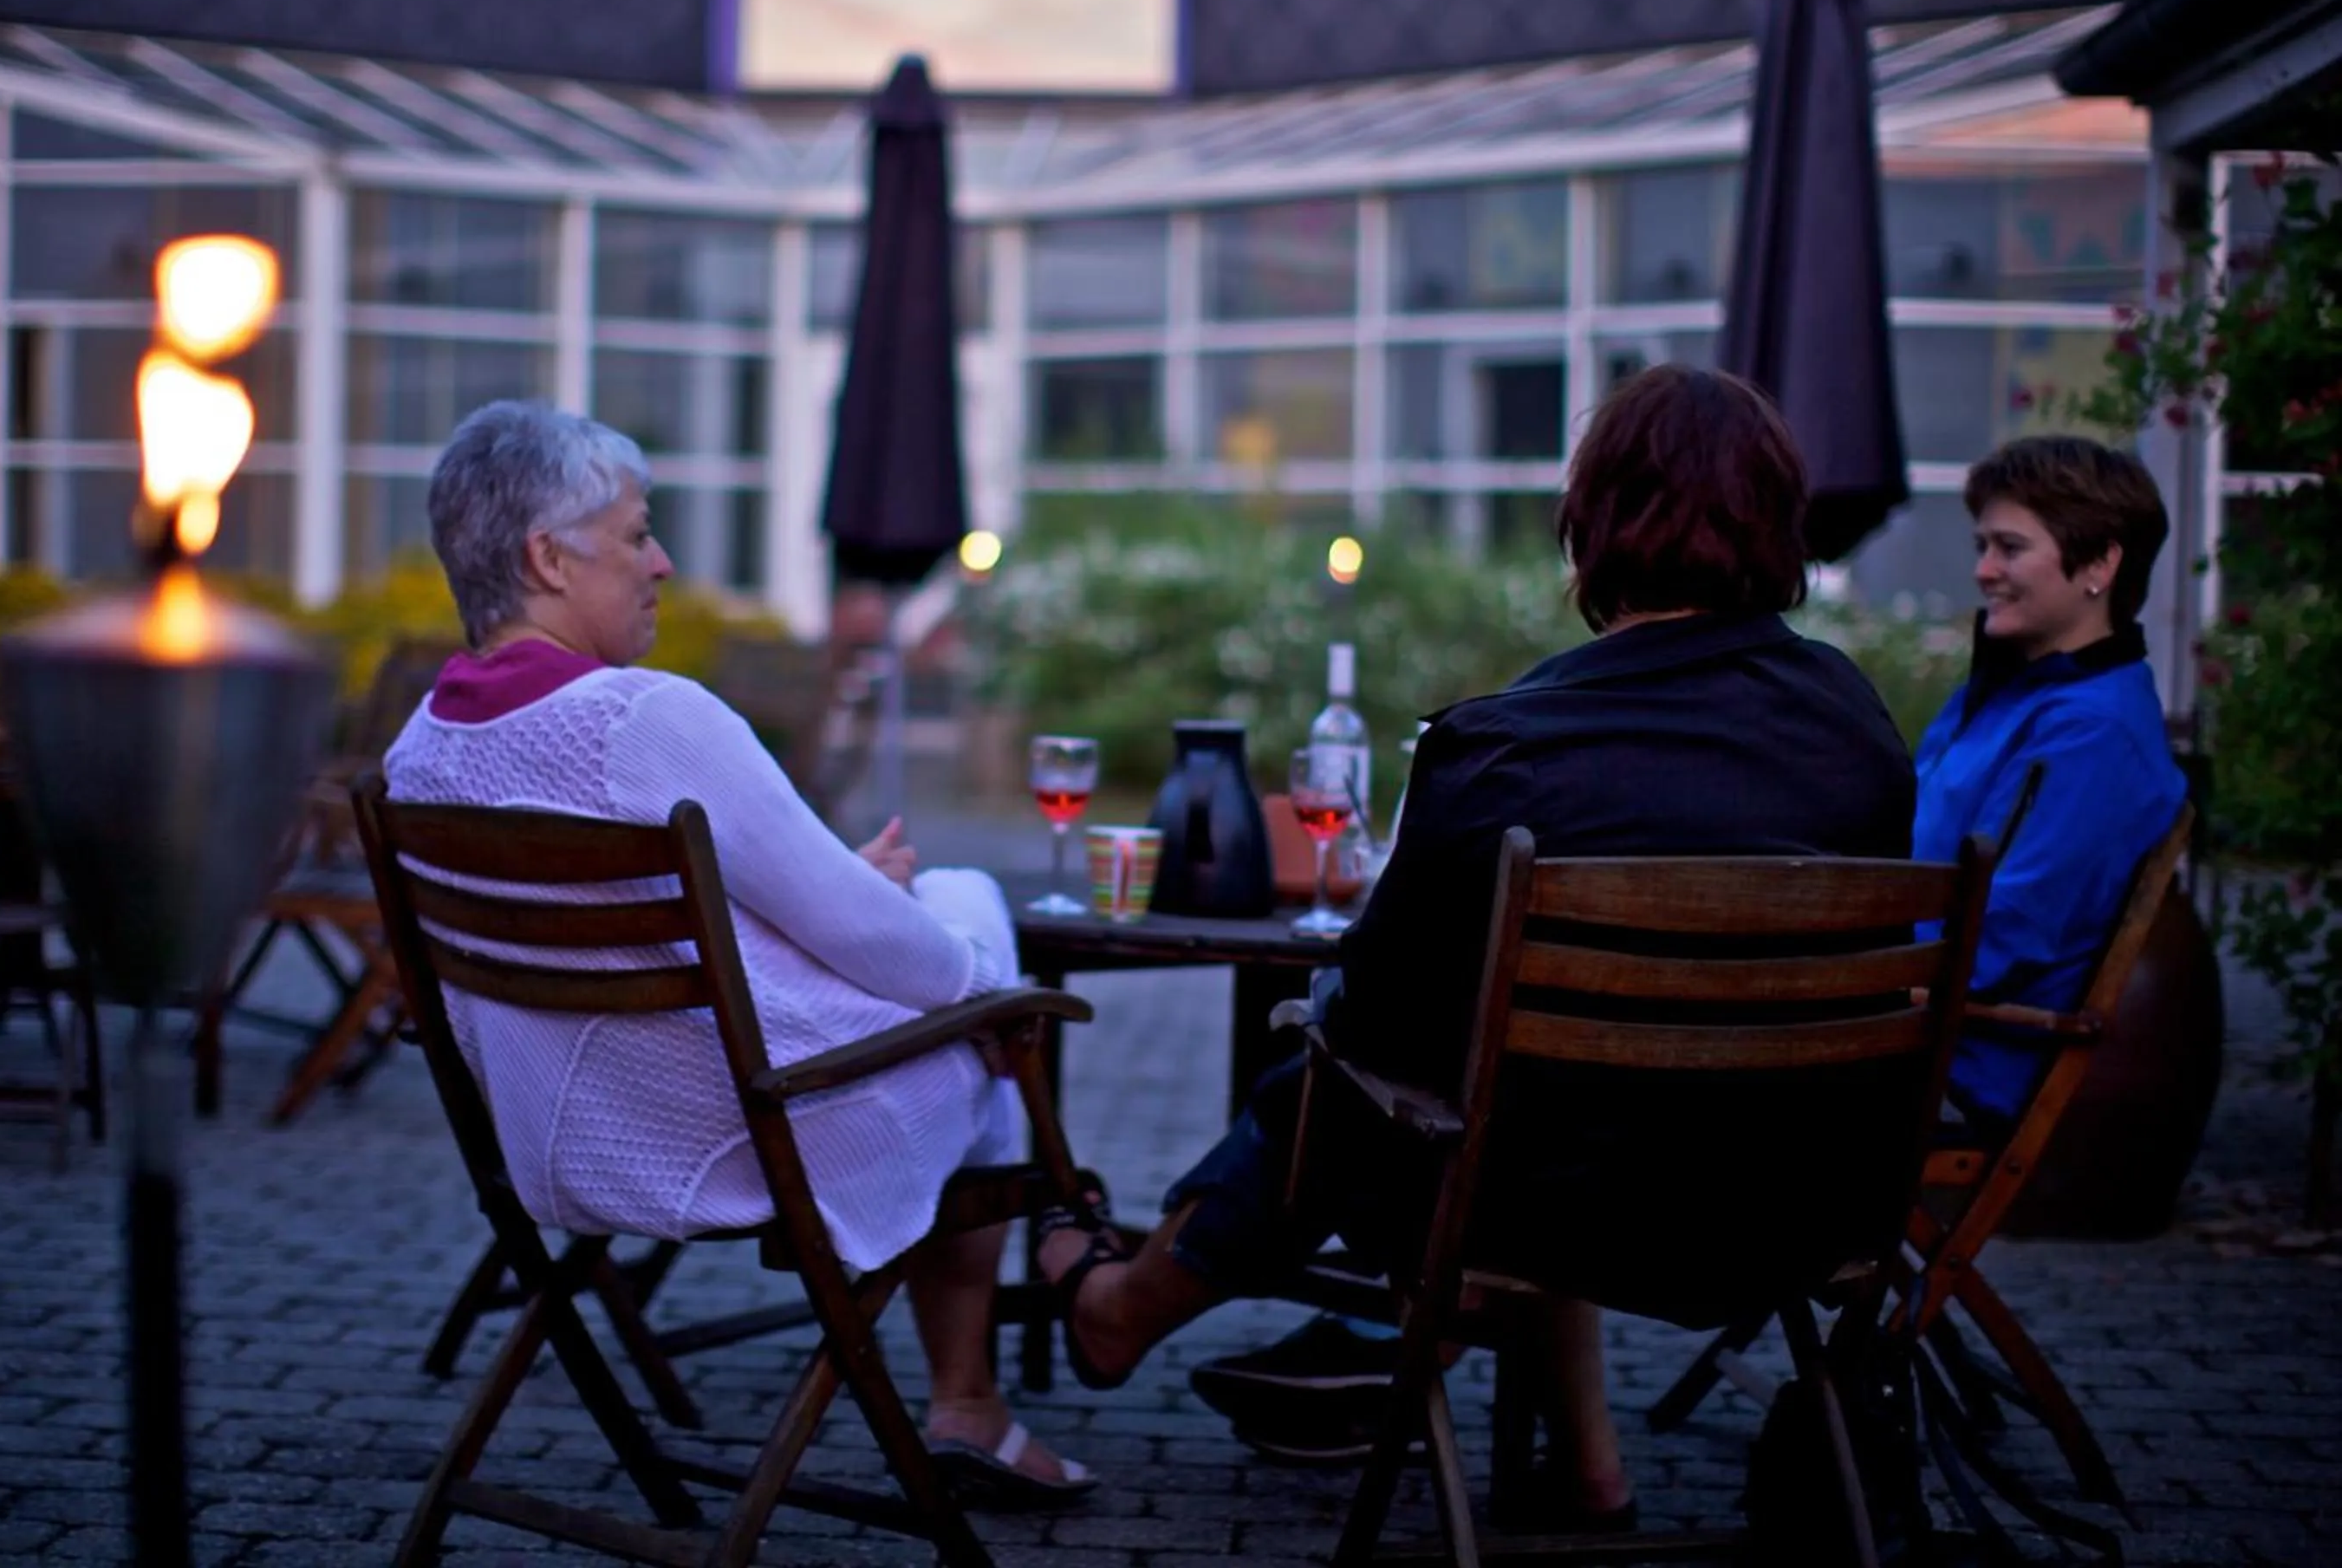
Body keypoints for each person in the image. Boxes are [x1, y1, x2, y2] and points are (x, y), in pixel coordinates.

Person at [1039, 365, 1918, 1528]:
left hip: (1539, 1209)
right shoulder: (1857, 727)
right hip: (1802, 1211)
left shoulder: (1507, 745)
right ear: (1775, 524)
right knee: (1547, 1091)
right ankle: (1589, 1470)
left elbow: (1377, 1022)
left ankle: (1124, 1304)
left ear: (1590, 524)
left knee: (1351, 1078)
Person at [381, 400, 1093, 1506]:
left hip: (558, 1138)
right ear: (547, 557)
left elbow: (680, 915)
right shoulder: (643, 720)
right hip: (740, 1129)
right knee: (970, 934)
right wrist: (990, 996)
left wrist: (852, 898)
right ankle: (973, 1396)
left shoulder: (420, 750)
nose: (661, 561)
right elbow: (864, 935)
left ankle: (974, 1403)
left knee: (939, 907)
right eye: (636, 534)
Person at [1916, 434, 2186, 1135]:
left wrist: (1831, 975)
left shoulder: (2092, 733)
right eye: (1983, 545)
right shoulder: (2016, 690)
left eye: (2009, 547)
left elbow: (2003, 934)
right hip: (1906, 1021)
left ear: (2100, 562)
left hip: (1952, 1061)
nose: (1983, 570)